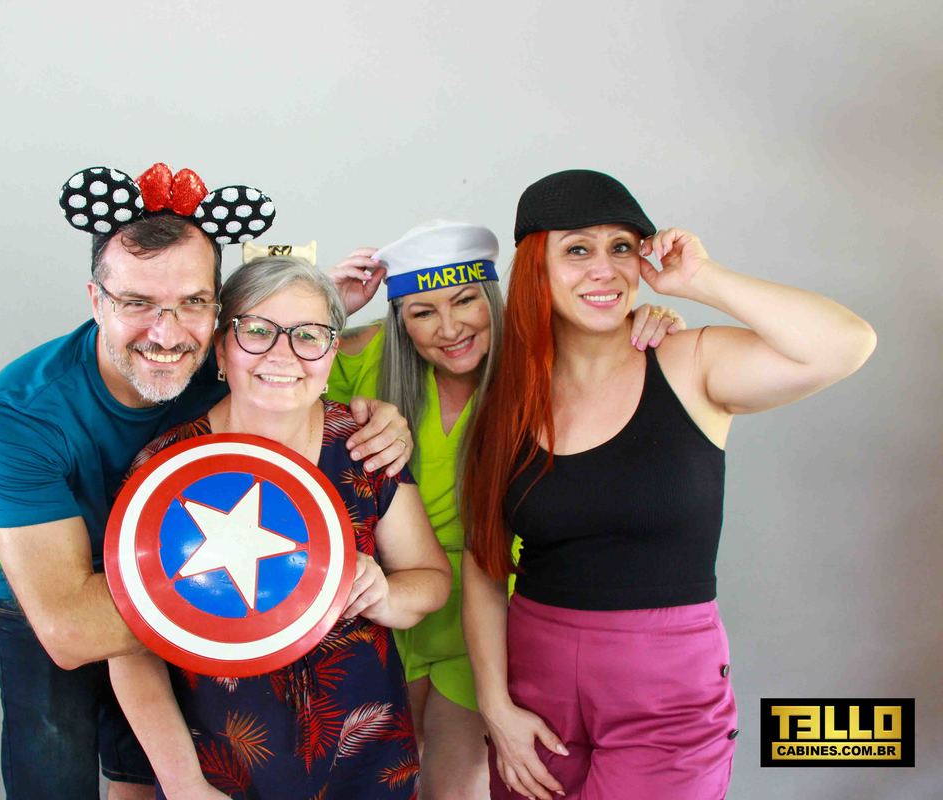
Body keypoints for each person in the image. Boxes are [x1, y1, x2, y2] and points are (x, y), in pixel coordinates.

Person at [0, 167, 415, 800]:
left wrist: (375, 412)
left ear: (218, 311)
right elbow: (71, 631)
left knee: (143, 773)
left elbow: (290, 351)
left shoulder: (226, 354)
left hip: (195, 563)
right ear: (96, 300)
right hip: (62, 589)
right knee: (54, 769)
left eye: (191, 303)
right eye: (136, 303)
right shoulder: (21, 412)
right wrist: (296, 578)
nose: (167, 332)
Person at [460, 169, 877, 800]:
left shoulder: (691, 362)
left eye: (621, 247)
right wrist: (495, 707)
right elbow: (484, 566)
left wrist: (701, 279)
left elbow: (845, 344)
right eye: (577, 250)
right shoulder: (510, 395)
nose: (604, 269)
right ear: (536, 269)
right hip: (534, 691)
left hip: (666, 693)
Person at [325, 221, 682, 798]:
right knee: (371, 786)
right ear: (400, 321)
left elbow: (620, 359)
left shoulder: (547, 364)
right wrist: (330, 307)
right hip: (381, 598)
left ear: (493, 298)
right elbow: (267, 371)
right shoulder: (365, 356)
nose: (450, 329)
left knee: (453, 788)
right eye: (422, 312)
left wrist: (649, 321)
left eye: (466, 300)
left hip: (487, 609)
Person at [107, 255, 453, 799]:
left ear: (331, 352)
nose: (283, 354)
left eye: (309, 335)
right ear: (221, 348)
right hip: (222, 772)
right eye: (257, 331)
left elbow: (430, 579)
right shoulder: (164, 470)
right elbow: (131, 652)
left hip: (367, 759)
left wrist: (386, 594)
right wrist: (184, 784)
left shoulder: (364, 446)